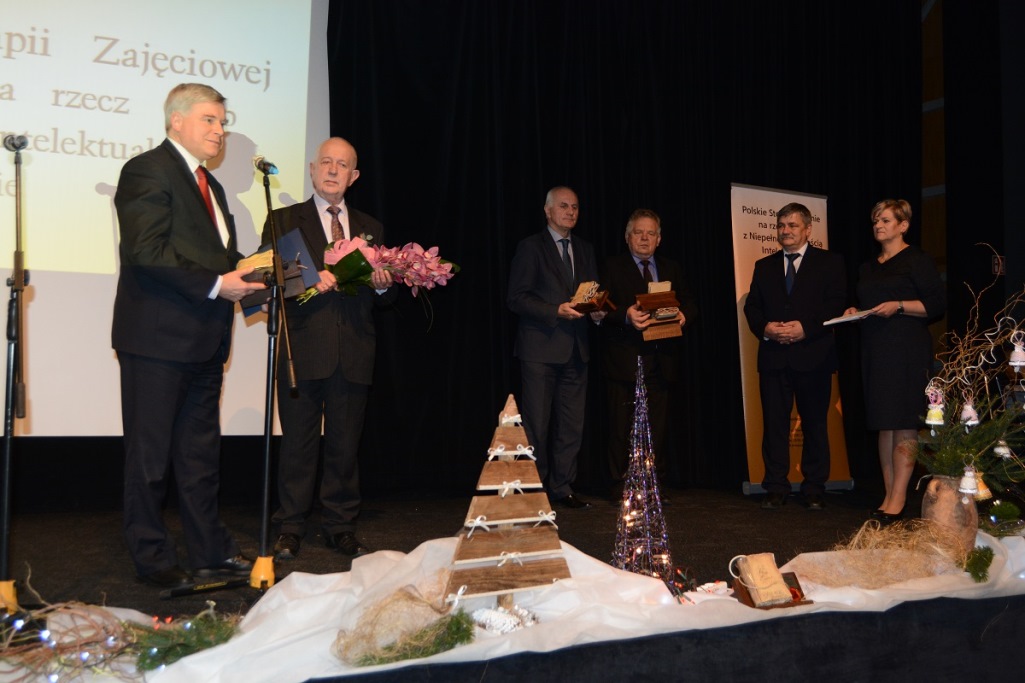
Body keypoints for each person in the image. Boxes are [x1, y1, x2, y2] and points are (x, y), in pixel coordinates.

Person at [112, 83, 267, 589]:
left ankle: (210, 554)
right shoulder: (147, 170)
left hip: (204, 339)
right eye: (209, 120)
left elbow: (218, 259)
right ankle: (153, 558)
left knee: (200, 458)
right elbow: (146, 250)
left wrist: (259, 276)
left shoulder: (212, 186)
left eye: (222, 122)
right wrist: (217, 284)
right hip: (157, 341)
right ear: (176, 120)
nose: (219, 131)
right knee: (150, 457)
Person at [264, 137, 395, 561]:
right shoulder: (283, 220)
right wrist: (307, 277)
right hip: (302, 349)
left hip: (354, 349)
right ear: (312, 169)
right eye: (326, 162)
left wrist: (384, 285)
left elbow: (387, 299)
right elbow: (267, 275)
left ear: (354, 176)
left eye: (342, 165)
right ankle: (290, 527)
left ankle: (341, 526)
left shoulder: (371, 227)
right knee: (298, 446)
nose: (333, 170)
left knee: (344, 446)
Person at [844, 199, 945, 522]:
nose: (878, 225)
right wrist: (855, 311)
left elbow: (936, 304)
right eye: (875, 220)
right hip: (875, 349)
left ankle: (899, 497)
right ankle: (889, 494)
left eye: (885, 220)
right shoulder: (868, 267)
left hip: (906, 350)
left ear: (903, 226)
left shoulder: (916, 259)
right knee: (883, 423)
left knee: (903, 422)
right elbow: (870, 303)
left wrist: (899, 305)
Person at [743, 202, 846, 511]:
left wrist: (806, 329)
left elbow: (836, 304)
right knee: (775, 425)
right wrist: (766, 328)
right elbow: (752, 307)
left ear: (808, 229)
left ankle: (814, 488)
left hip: (814, 356)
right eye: (781, 225)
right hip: (774, 358)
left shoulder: (830, 263)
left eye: (792, 225)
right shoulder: (764, 266)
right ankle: (776, 486)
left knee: (815, 424)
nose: (785, 231)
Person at [508, 186, 603, 509]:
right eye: (563, 206)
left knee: (571, 425)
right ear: (547, 211)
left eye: (575, 207)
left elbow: (591, 294)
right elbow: (516, 298)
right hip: (540, 350)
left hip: (577, 350)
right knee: (536, 424)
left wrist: (598, 312)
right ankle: (535, 490)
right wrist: (555, 310)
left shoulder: (585, 249)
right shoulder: (530, 247)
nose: (570, 212)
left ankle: (562, 487)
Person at [600, 209, 697, 497]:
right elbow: (600, 304)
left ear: (659, 239)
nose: (644, 238)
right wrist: (625, 315)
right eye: (639, 232)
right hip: (624, 359)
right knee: (621, 428)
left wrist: (683, 316)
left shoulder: (671, 268)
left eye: (650, 233)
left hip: (662, 360)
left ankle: (653, 485)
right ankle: (619, 486)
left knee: (657, 428)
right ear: (627, 237)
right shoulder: (611, 266)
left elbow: (689, 301)